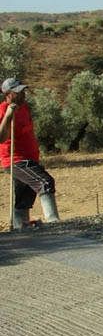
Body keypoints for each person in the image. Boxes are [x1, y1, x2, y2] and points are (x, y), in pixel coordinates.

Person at [0, 77, 60, 230]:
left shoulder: (25, 108)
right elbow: (1, 138)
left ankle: (21, 229)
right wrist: (8, 115)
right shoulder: (2, 109)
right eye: (18, 92)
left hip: (30, 158)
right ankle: (54, 223)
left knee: (24, 196)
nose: (23, 94)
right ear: (8, 94)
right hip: (15, 160)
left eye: (23, 91)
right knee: (45, 182)